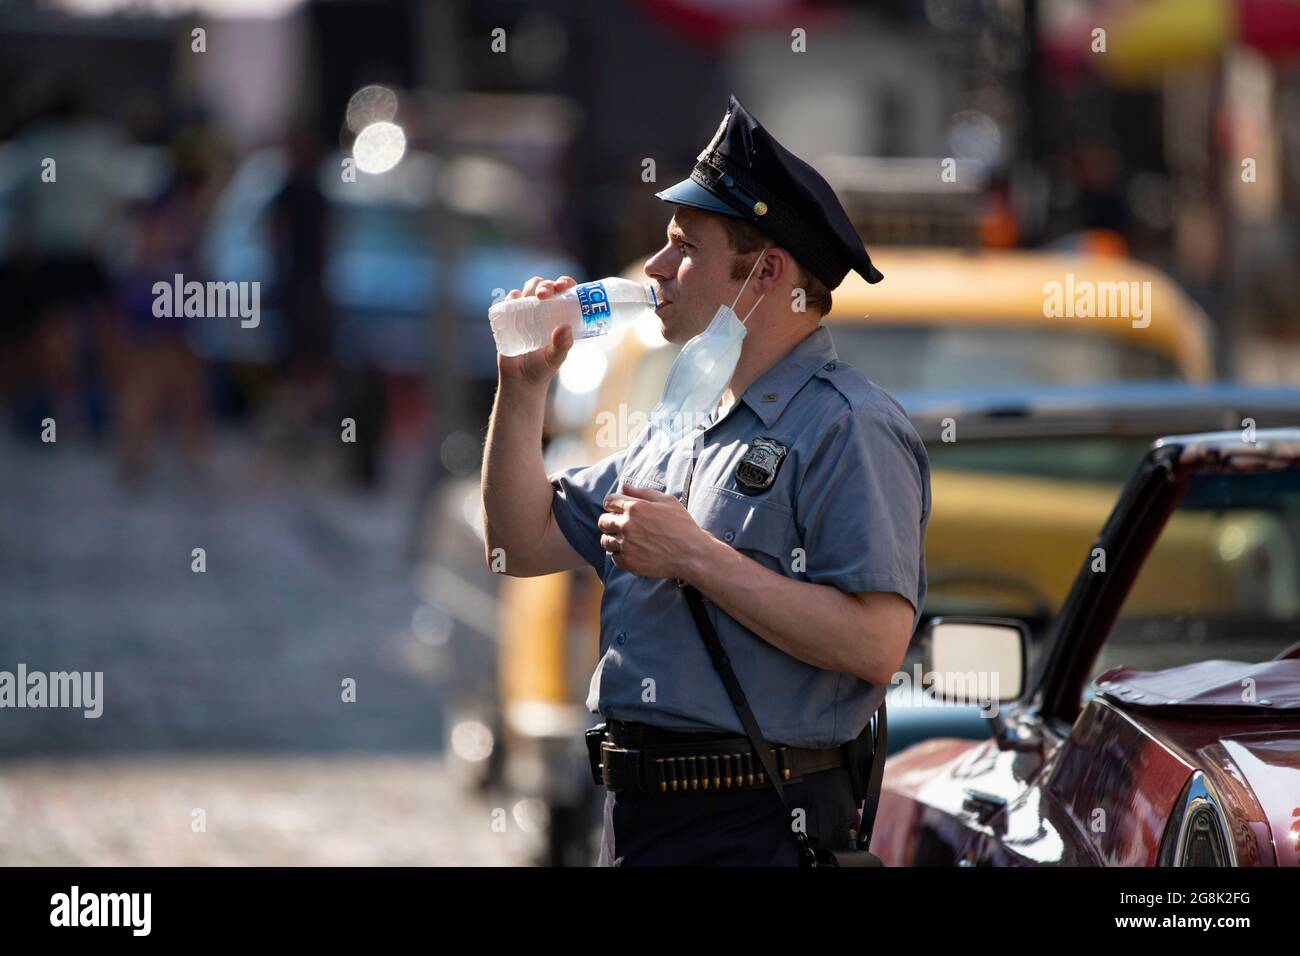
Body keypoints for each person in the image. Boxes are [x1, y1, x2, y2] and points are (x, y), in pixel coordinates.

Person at [481, 95, 930, 866]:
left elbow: (877, 642)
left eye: (683, 246)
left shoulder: (847, 425)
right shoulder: (684, 418)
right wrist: (521, 390)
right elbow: (518, 543)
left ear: (765, 275)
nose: (655, 268)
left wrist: (694, 556)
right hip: (642, 818)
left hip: (759, 819)